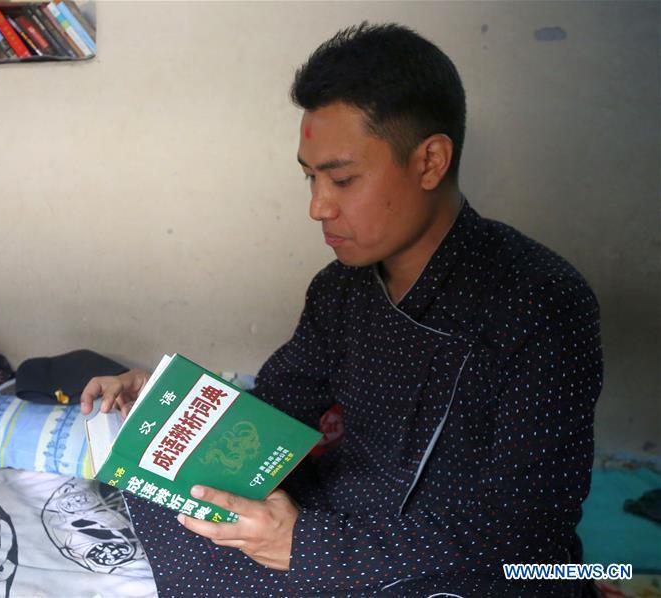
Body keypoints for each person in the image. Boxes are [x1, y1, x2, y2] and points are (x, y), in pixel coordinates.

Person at [82, 23, 602, 597]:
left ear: (430, 161)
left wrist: (306, 548)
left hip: (469, 558)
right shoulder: (341, 289)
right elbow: (279, 406)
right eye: (310, 177)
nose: (317, 207)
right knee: (171, 501)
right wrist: (176, 405)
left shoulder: (542, 301)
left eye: (342, 179)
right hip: (347, 510)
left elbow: (529, 530)